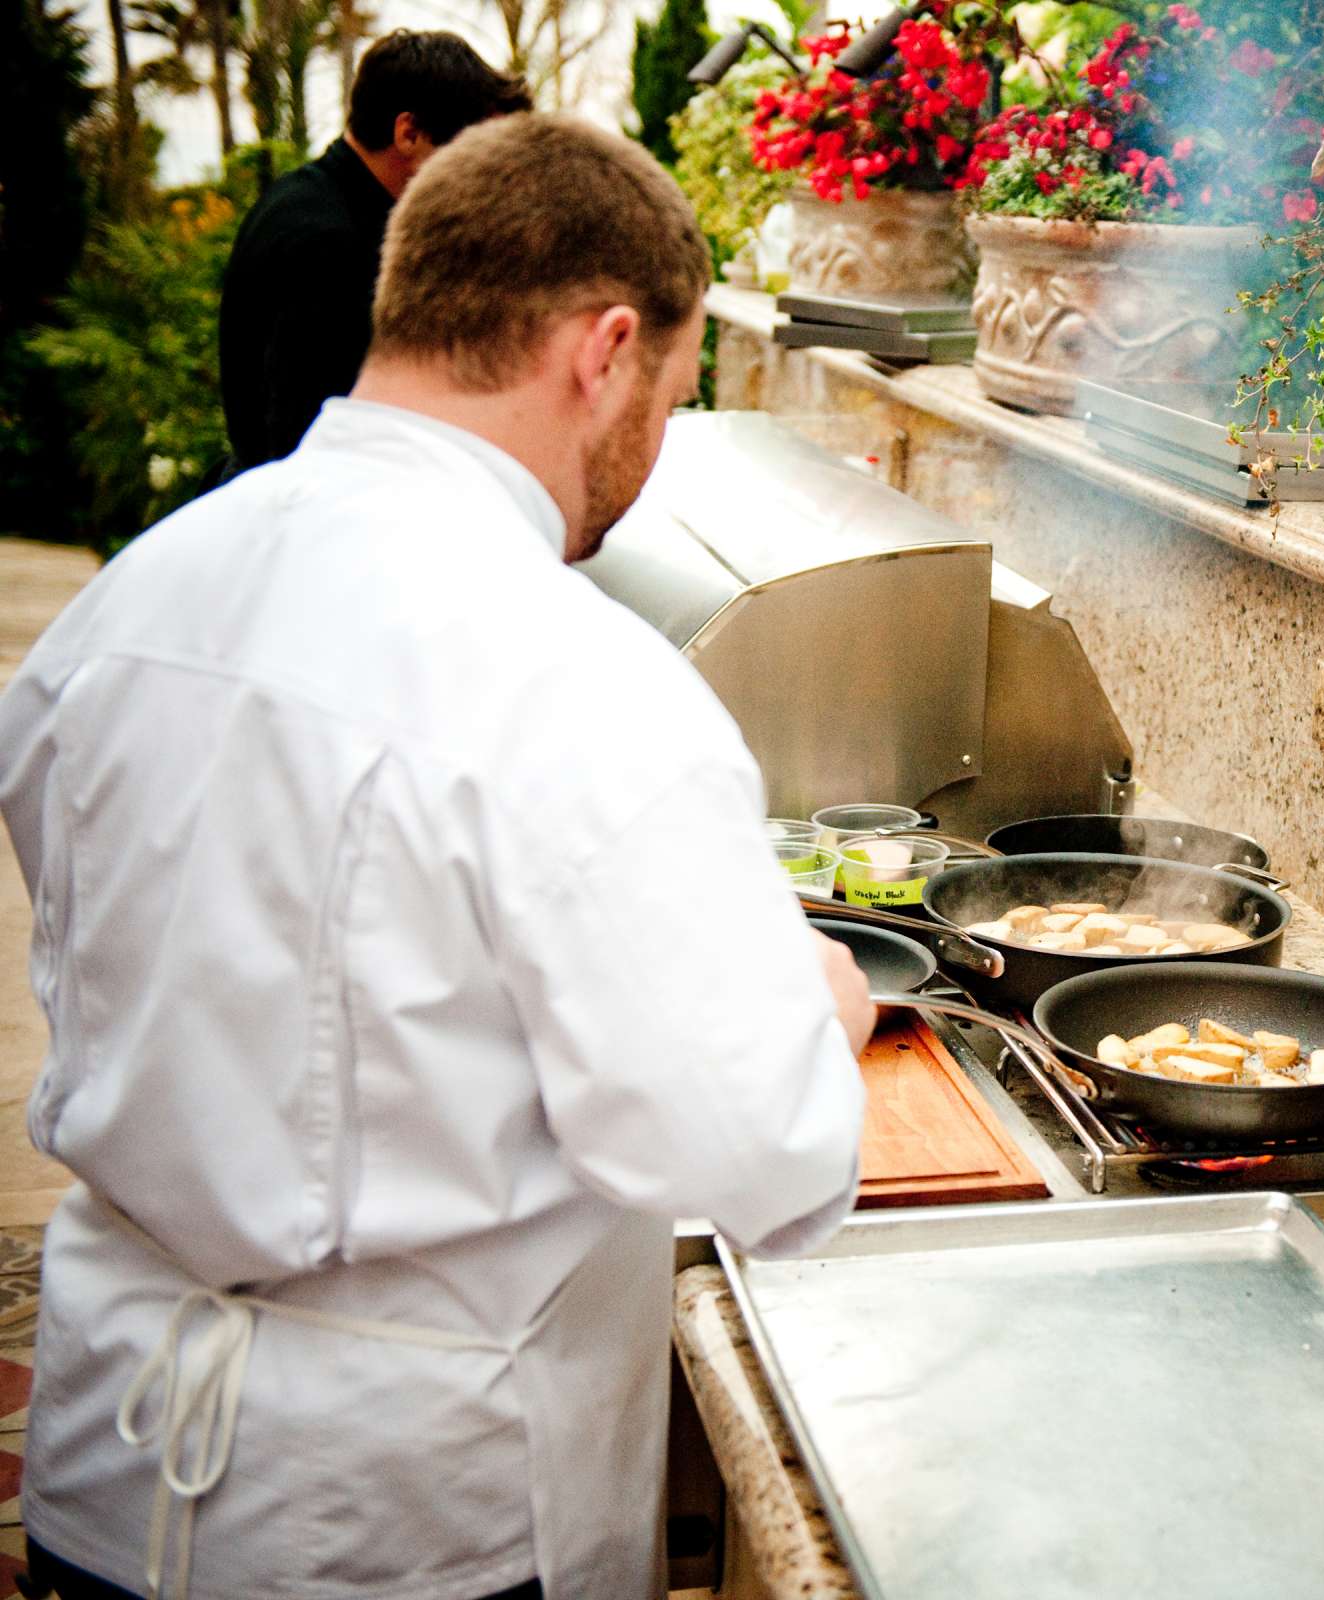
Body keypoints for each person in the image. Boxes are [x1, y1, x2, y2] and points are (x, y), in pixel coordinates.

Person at [0, 115, 872, 1599]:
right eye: (666, 396)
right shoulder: (579, 680)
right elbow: (745, 1151)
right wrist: (821, 1018)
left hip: (104, 1468)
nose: (649, 451)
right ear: (604, 352)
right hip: (399, 1524)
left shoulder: (137, 596)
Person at [217, 30, 530, 473]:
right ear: (409, 133)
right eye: (474, 151)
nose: (484, 176)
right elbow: (308, 442)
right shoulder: (327, 244)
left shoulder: (308, 199)